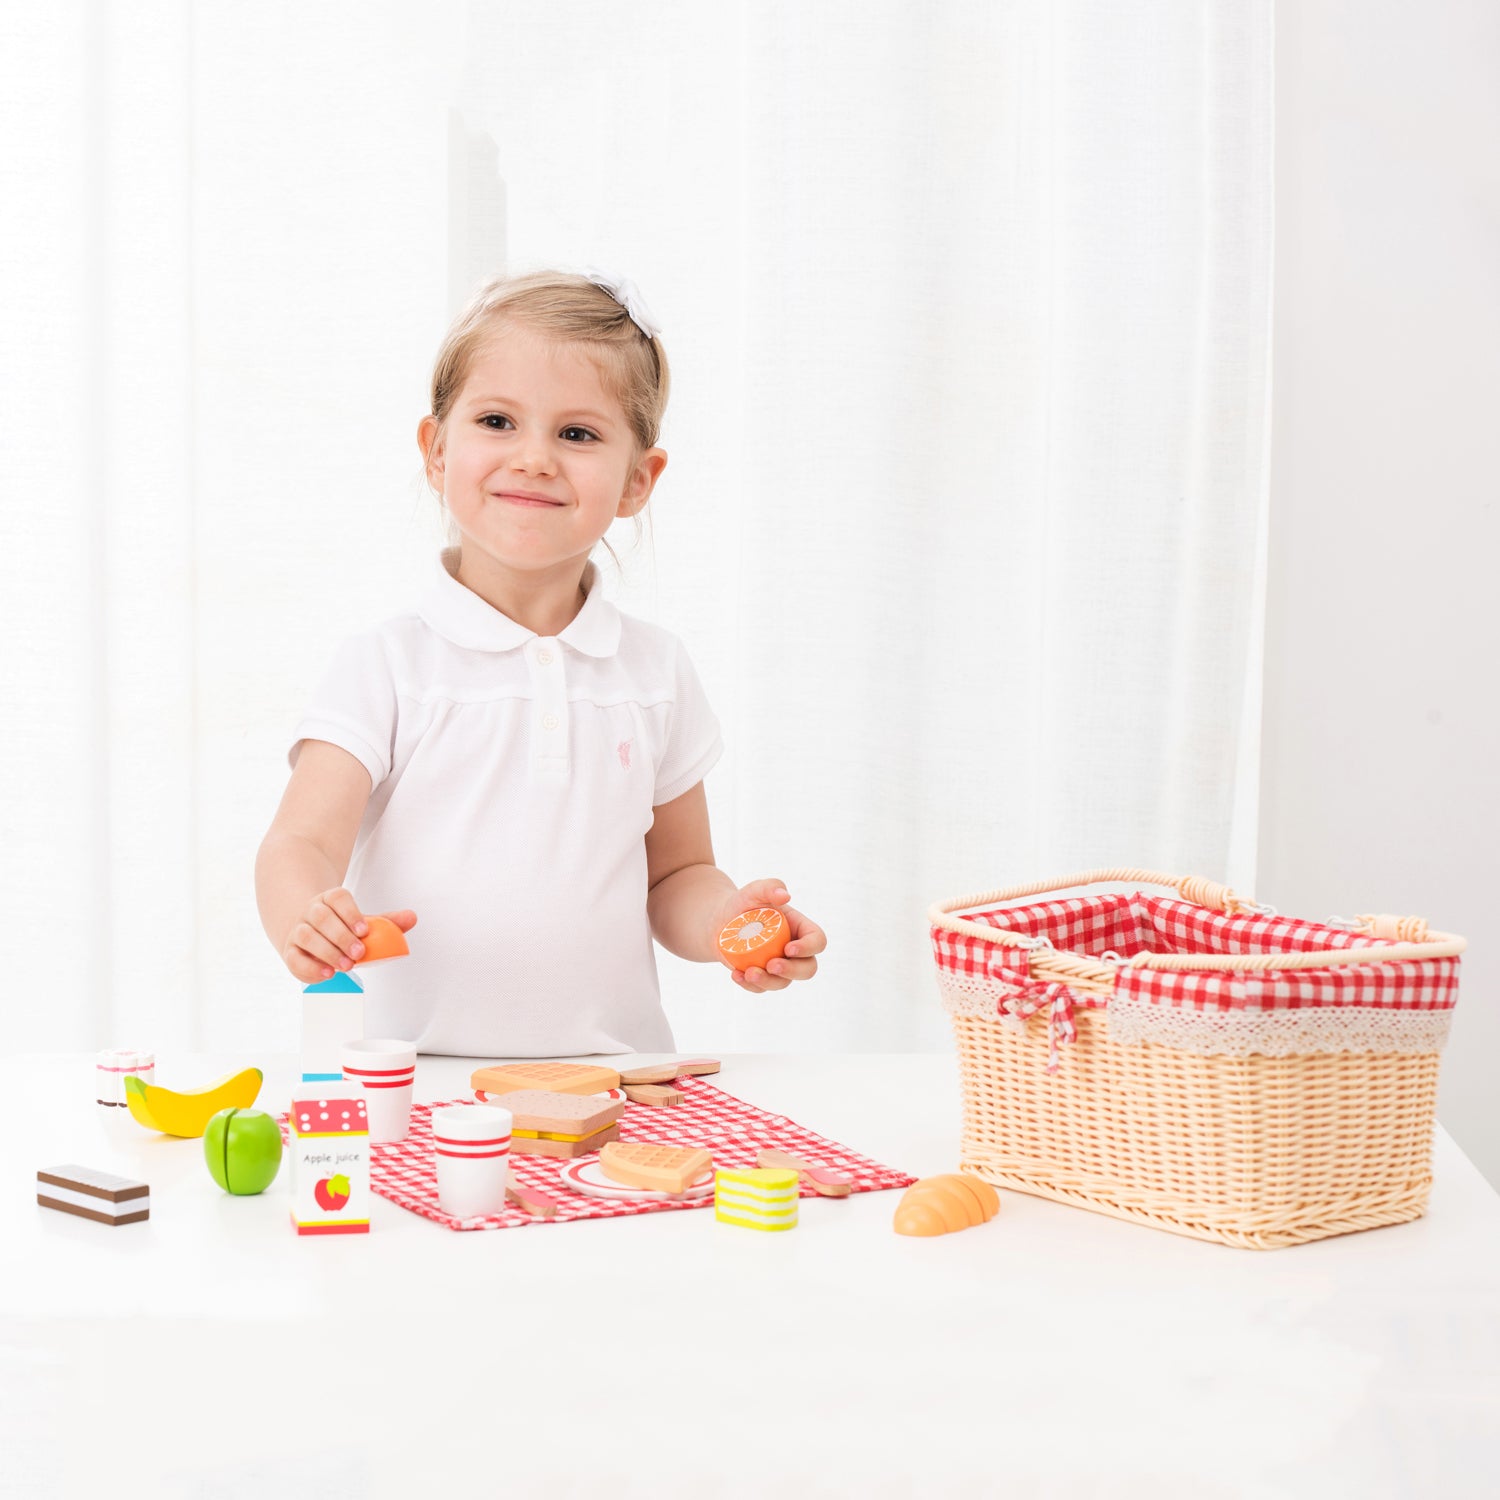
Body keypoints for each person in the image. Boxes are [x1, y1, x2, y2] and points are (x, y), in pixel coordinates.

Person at [254, 269, 825, 1056]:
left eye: (577, 434)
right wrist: (305, 915)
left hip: (615, 1086)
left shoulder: (655, 672)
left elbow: (678, 875)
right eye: (497, 420)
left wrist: (726, 921)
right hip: (412, 1083)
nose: (533, 458)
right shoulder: (388, 663)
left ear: (636, 481)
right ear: (436, 449)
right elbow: (300, 845)